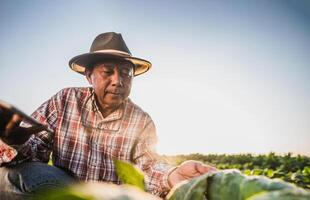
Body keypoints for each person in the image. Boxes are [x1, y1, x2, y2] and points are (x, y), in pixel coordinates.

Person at [0, 32, 217, 199]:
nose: (118, 80)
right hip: (68, 191)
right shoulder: (65, 100)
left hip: (114, 197)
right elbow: (35, 152)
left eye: (125, 73)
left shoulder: (141, 120)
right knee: (14, 177)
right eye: (108, 72)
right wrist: (15, 141)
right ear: (89, 76)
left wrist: (173, 175)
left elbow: (149, 167)